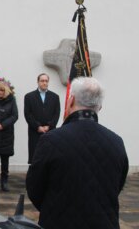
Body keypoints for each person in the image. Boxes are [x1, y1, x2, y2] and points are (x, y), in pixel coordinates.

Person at [26, 77, 129, 229]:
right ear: (99, 107)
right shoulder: (116, 141)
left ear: (71, 100)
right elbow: (118, 185)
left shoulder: (50, 140)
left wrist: (55, 207)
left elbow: (35, 188)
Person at [24, 73, 60, 164]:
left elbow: (56, 114)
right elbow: (28, 114)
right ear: (38, 82)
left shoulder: (55, 97)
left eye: (46, 81)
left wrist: (49, 126)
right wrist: (38, 126)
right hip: (35, 131)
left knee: (49, 156)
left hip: (50, 131)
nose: (44, 83)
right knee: (35, 157)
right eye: (42, 81)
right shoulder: (29, 96)